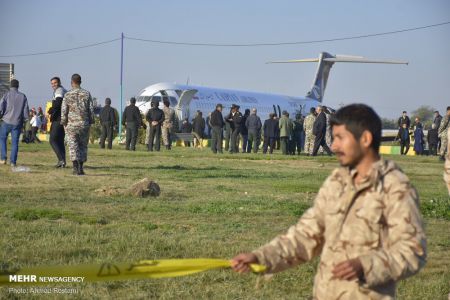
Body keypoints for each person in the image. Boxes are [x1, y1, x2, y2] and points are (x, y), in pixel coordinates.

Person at [232, 103, 426, 300]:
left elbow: (412, 251)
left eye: (340, 138)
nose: (333, 146)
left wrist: (366, 265)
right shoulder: (337, 181)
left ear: (365, 139)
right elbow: (306, 235)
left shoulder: (395, 187)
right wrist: (261, 257)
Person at [61, 74, 94, 175]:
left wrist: (63, 122)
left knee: (73, 145)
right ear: (80, 81)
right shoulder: (87, 94)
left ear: (72, 82)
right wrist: (91, 122)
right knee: (83, 145)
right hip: (84, 124)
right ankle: (81, 167)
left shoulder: (67, 95)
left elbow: (64, 110)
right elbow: (91, 110)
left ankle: (75, 167)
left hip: (71, 125)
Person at [0, 79, 29, 167]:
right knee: (15, 143)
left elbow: (1, 108)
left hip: (6, 121)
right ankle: (13, 162)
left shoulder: (6, 95)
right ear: (18, 86)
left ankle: (3, 158)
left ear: (10, 86)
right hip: (17, 123)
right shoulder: (23, 96)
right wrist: (25, 121)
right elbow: (25, 112)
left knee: (2, 140)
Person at [48, 77, 67, 167]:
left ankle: (61, 160)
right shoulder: (62, 90)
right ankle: (63, 161)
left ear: (59, 82)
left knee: (52, 140)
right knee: (59, 141)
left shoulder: (59, 90)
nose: (53, 85)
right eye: (52, 83)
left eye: (55, 83)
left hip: (58, 119)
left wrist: (50, 110)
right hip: (63, 118)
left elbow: (58, 102)